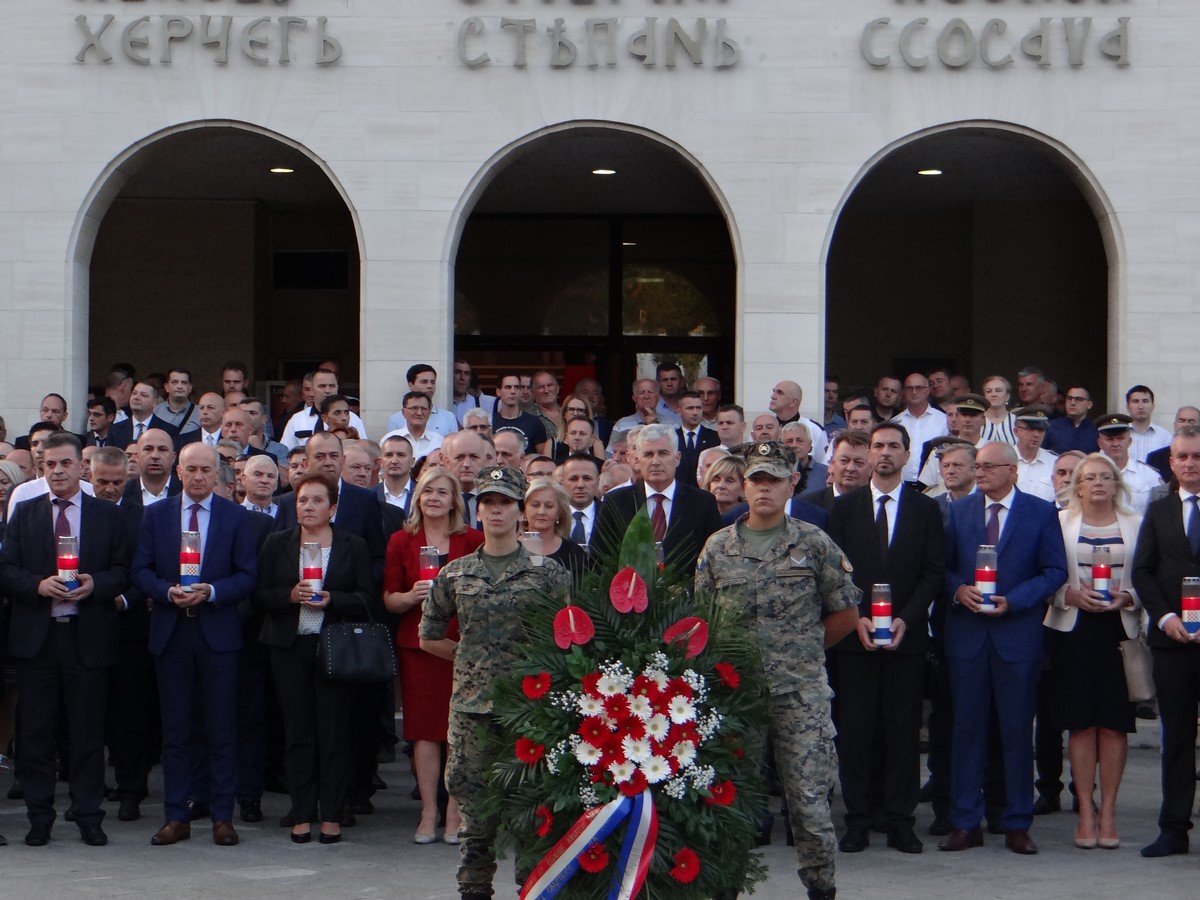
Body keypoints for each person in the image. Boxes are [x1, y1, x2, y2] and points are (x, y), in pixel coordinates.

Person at [695, 441, 860, 900]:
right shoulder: (717, 547)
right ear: (743, 486)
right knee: (731, 801)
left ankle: (821, 888)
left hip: (799, 694)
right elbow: (700, 620)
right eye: (755, 480)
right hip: (736, 696)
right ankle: (724, 889)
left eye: (773, 480)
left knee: (809, 805)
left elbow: (846, 614)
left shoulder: (813, 543)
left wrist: (801, 651)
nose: (764, 488)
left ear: (792, 485)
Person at [419, 466, 572, 900]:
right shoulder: (455, 573)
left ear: (520, 511)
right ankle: (474, 889)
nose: (496, 510)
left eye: (505, 502)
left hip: (529, 710)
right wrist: (468, 658)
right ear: (478, 510)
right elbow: (429, 635)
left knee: (531, 809)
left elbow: (567, 639)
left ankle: (532, 888)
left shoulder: (548, 574)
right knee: (475, 812)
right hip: (472, 711)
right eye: (489, 502)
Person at [0, 433, 130, 848]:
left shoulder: (107, 515)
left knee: (87, 733)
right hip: (38, 640)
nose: (57, 471)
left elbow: (123, 570)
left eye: (65, 464)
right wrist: (38, 585)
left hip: (86, 636)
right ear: (42, 468)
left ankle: (89, 815)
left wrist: (96, 584)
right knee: (36, 733)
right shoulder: (24, 513)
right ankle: (40, 817)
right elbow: (6, 569)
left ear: (82, 467)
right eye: (49, 464)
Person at [939, 441, 1067, 856]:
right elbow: (940, 567)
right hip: (968, 638)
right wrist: (958, 590)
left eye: (989, 467)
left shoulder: (1040, 511)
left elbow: (1054, 571)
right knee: (966, 732)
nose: (980, 473)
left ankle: (1016, 823)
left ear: (1013, 470)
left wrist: (1016, 600)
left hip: (1017, 637)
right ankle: (964, 822)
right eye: (977, 466)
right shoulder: (957, 512)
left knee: (1015, 733)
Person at [827, 423, 944, 856]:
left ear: (907, 453)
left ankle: (899, 820)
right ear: (868, 453)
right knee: (856, 733)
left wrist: (906, 621)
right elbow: (834, 571)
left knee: (901, 732)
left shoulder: (925, 509)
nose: (885, 453)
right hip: (854, 639)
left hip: (904, 641)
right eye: (878, 446)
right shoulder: (846, 507)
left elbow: (933, 571)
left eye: (894, 446)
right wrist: (852, 617)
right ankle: (857, 820)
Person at [133, 442, 258, 847]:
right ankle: (176, 815)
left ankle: (223, 816)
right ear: (178, 472)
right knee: (176, 730)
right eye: (192, 469)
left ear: (218, 475)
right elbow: (141, 570)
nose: (199, 476)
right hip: (172, 633)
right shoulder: (156, 515)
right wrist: (167, 591)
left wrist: (212, 591)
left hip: (217, 633)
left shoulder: (236, 517)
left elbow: (247, 575)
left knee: (222, 728)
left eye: (207, 469)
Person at [254, 472, 376, 845]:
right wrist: (289, 596)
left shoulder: (351, 545)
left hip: (334, 648)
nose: (307, 506)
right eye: (302, 500)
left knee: (334, 732)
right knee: (298, 732)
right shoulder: (277, 543)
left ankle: (333, 813)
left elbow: (367, 597)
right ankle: (302, 811)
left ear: (333, 507)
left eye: (317, 500)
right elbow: (260, 595)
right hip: (289, 647)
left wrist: (333, 600)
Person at [1043, 454, 1142, 850]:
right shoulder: (1059, 522)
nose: (1098, 483)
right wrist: (1065, 595)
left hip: (1118, 631)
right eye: (1089, 478)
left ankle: (1110, 811)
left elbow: (1147, 573)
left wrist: (1129, 597)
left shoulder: (1135, 523)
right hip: (1073, 630)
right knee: (1081, 724)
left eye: (1106, 477)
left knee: (1115, 725)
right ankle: (1085, 811)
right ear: (1077, 486)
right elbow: (1045, 571)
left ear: (1117, 484)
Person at [383, 466, 483, 843]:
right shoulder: (400, 541)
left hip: (462, 647)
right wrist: (410, 596)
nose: (435, 498)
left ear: (455, 500)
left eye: (443, 492)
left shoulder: (473, 539)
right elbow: (389, 598)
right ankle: (428, 812)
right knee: (424, 731)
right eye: (428, 492)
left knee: (460, 730)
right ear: (418, 498)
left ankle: (455, 814)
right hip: (419, 646)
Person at [1131, 424, 1200, 858]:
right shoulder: (1158, 510)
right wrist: (1167, 615)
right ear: (1171, 462)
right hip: (1173, 641)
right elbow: (1143, 571)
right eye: (1183, 457)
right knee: (1175, 739)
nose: (1190, 464)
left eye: (1197, 457)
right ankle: (1173, 829)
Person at [591, 423, 723, 576]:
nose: (655, 461)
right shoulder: (616, 501)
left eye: (663, 453)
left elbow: (714, 557)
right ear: (638, 461)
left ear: (677, 458)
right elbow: (599, 559)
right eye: (648, 454)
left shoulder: (702, 502)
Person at [522, 477, 588, 584]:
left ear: (559, 513)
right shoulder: (510, 548)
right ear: (524, 511)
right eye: (535, 505)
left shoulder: (574, 554)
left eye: (549, 506)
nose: (541, 511)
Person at [980, 375, 1018, 445]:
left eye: (998, 391)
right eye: (989, 391)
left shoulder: (1017, 421)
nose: (993, 394)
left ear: (1007, 396)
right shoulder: (977, 420)